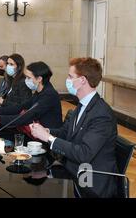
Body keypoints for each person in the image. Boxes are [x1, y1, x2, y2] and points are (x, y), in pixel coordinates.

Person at [30, 58, 118, 198]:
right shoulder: (81, 105)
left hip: (90, 182)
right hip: (73, 170)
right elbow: (66, 133)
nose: (67, 80)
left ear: (82, 80)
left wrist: (48, 138)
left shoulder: (102, 114)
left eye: (70, 77)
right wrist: (47, 131)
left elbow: (84, 153)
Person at [0, 61, 62, 131]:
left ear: (39, 79)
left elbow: (29, 116)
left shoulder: (49, 94)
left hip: (47, 136)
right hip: (37, 132)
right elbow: (21, 107)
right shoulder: (39, 92)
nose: (26, 80)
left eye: (28, 77)